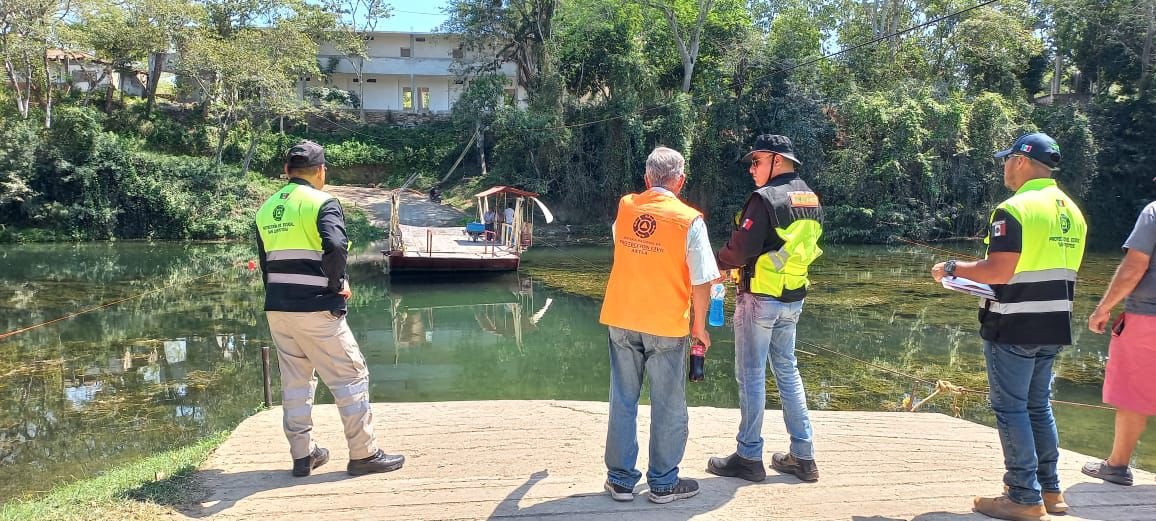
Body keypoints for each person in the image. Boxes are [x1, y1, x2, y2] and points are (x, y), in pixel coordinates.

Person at [931, 132, 1086, 520]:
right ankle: (1051, 491)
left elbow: (1000, 270)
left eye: (1006, 159)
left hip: (1014, 323)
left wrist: (951, 269)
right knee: (1038, 407)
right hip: (1055, 324)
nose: (1003, 166)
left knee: (1011, 408)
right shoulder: (1071, 211)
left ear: (1020, 161)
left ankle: (1022, 496)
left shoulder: (1015, 208)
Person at [256, 140, 405, 478]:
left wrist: (280, 297)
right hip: (317, 307)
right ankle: (364, 454)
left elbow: (265, 262)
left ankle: (302, 455)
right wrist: (337, 285)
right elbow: (335, 245)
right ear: (321, 171)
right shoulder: (323, 202)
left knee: (295, 382)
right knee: (351, 376)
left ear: (286, 172)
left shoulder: (265, 209)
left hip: (278, 307)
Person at [599, 146, 720, 504]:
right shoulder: (689, 220)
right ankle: (664, 483)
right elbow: (702, 281)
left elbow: (623, 248)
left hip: (621, 317)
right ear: (680, 181)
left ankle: (620, 481)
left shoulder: (626, 208)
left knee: (623, 397)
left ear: (647, 178)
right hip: (665, 323)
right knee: (667, 403)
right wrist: (700, 326)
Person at [705, 134, 823, 484]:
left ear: (777, 160)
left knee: (752, 375)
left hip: (760, 298)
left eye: (756, 161)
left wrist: (715, 264)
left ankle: (748, 456)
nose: (751, 169)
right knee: (788, 371)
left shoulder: (765, 198)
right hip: (793, 297)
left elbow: (740, 250)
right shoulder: (810, 199)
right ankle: (803, 457)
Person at [1082, 200, 1156, 486]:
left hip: (1148, 318)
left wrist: (1103, 308)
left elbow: (1134, 267)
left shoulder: (1153, 212)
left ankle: (1116, 466)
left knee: (1133, 394)